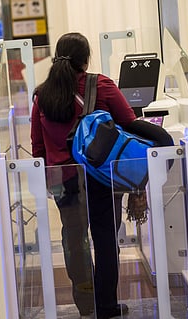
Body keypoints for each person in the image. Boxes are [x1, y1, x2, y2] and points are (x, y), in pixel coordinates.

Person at [30, 32, 135, 319]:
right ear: (85, 60)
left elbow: (37, 146)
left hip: (62, 179)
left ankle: (86, 304)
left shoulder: (41, 94)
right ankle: (106, 307)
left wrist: (48, 181)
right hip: (102, 176)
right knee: (105, 240)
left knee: (74, 240)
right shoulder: (101, 86)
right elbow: (130, 124)